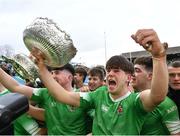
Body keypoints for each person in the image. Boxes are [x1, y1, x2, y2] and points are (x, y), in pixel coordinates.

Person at [32, 29, 169, 134]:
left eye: (116, 70)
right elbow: (62, 96)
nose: (110, 74)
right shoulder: (99, 95)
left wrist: (158, 57)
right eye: (108, 70)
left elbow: (157, 96)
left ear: (128, 77)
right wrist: (42, 69)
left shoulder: (135, 101)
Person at [0, 63, 90, 135]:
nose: (53, 76)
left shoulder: (82, 96)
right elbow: (16, 87)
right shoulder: (46, 93)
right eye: (52, 73)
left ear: (70, 77)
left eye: (57, 73)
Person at [131, 56, 180, 135]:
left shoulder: (165, 103)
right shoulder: (128, 97)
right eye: (171, 75)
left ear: (150, 76)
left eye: (137, 70)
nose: (132, 74)